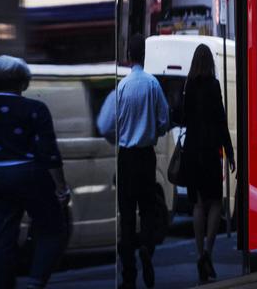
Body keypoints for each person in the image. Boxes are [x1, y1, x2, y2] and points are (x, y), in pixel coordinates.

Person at [0, 55, 70, 289]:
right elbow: (49, 153)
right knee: (52, 228)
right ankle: (36, 280)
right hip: (27, 175)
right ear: (23, 82)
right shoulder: (35, 108)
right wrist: (61, 189)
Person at [101, 34, 170, 289]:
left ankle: (128, 275)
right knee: (149, 211)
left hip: (126, 156)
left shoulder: (122, 87)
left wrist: (120, 136)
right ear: (144, 55)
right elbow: (164, 121)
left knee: (127, 215)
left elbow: (107, 125)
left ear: (129, 56)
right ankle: (147, 248)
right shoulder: (152, 85)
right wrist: (152, 129)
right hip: (146, 157)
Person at [181, 44, 235, 283]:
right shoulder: (214, 85)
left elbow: (183, 117)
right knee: (215, 203)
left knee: (198, 204)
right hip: (211, 152)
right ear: (210, 62)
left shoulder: (189, 85)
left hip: (192, 152)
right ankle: (208, 253)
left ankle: (199, 251)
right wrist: (230, 152)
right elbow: (222, 121)